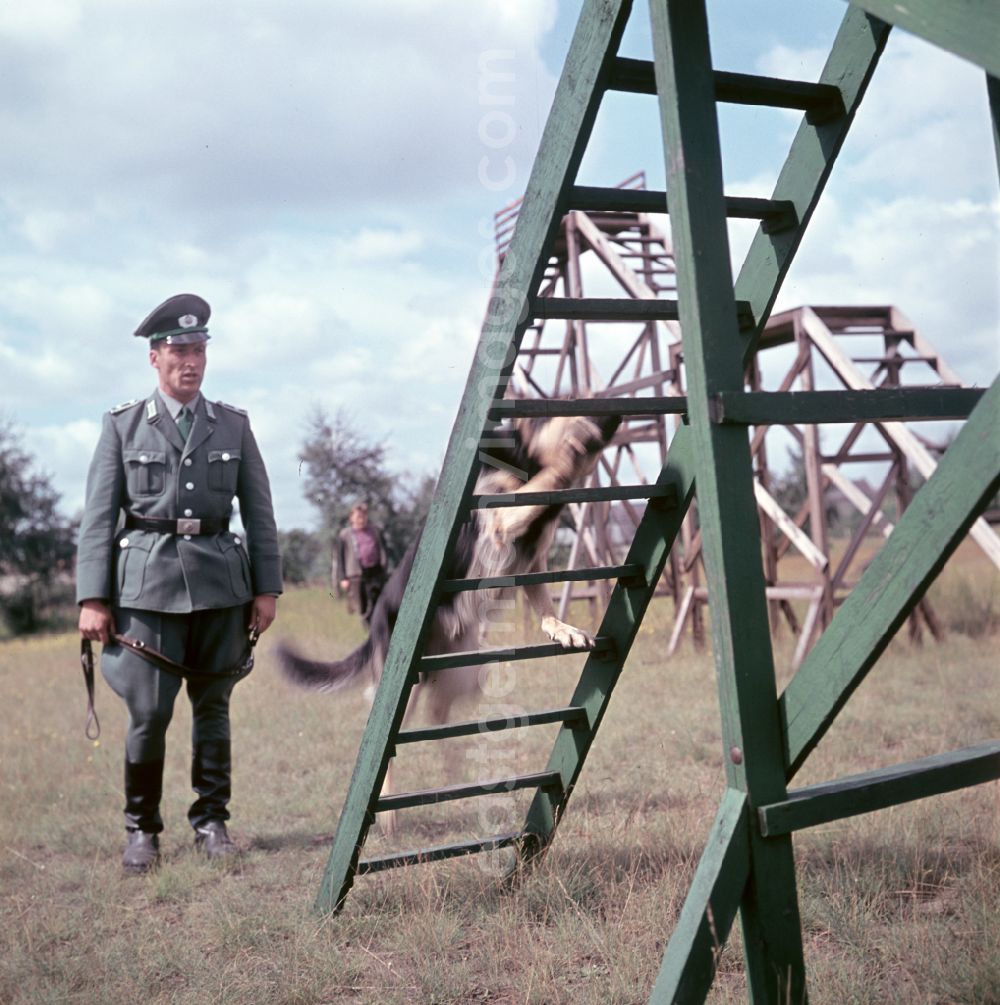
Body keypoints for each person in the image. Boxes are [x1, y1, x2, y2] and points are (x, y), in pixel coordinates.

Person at [76, 293, 283, 873]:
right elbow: (98, 517)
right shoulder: (121, 426)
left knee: (213, 708)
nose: (190, 361)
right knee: (149, 713)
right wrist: (93, 597)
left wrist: (266, 588)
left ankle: (212, 822)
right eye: (178, 351)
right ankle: (141, 830)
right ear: (154, 358)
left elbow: (260, 513)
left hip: (222, 586)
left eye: (198, 350)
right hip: (146, 589)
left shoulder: (234, 426)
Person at [335, 502, 388, 625]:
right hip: (356, 575)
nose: (362, 519)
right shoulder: (345, 535)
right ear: (351, 518)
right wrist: (343, 578)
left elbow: (383, 550)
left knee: (379, 603)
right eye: (358, 516)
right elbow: (340, 557)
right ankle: (368, 629)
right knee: (362, 607)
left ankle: (379, 627)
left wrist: (384, 567)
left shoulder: (375, 531)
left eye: (364, 516)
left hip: (375, 572)